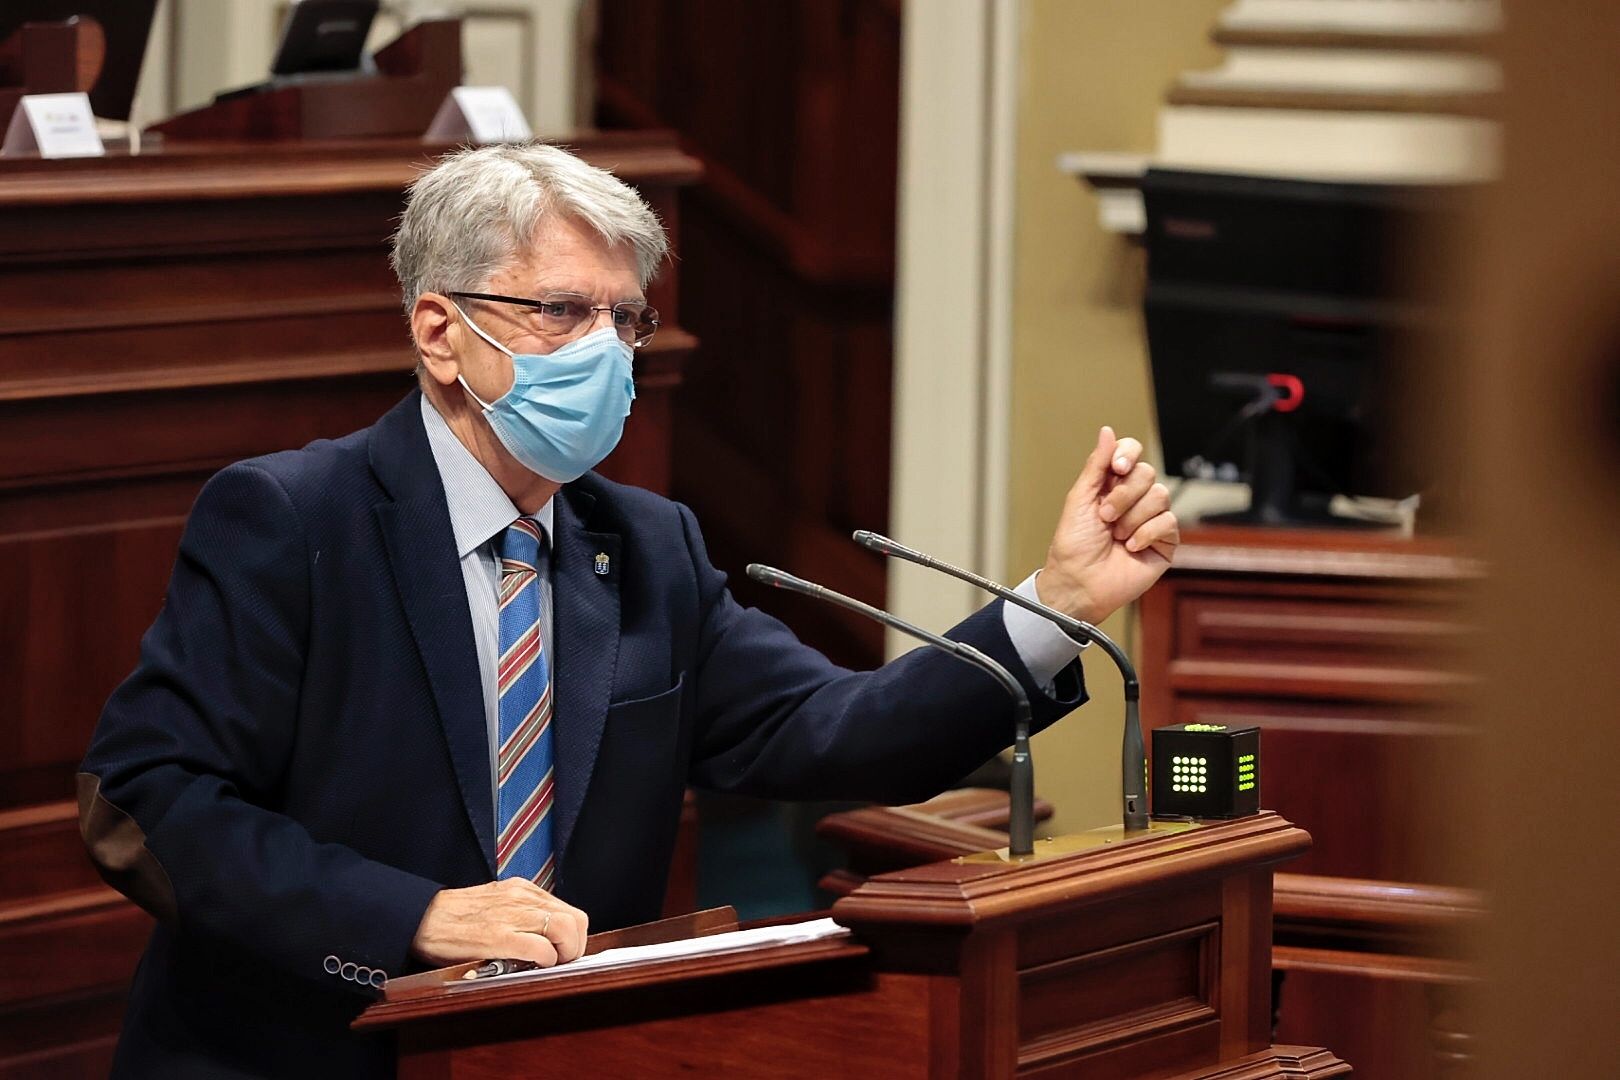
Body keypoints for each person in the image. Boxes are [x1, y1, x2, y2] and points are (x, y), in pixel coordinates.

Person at [77, 143, 1179, 1078]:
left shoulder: (646, 543)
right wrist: (411, 917)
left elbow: (841, 734)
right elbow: (148, 799)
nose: (605, 352)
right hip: (306, 1052)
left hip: (562, 1055)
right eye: (561, 311)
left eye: (626, 320)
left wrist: (1060, 602)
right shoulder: (290, 518)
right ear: (437, 331)